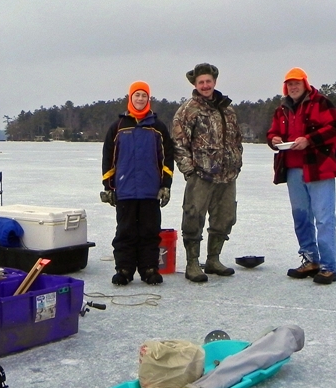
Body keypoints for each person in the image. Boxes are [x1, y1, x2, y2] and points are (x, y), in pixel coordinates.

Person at [266, 67, 336, 285]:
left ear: (305, 84)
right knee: (301, 218)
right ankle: (310, 259)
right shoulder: (281, 109)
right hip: (293, 169)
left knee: (324, 218)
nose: (293, 87)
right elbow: (272, 132)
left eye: (297, 83)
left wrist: (309, 139)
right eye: (289, 84)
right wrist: (274, 140)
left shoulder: (321, 103)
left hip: (319, 169)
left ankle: (329, 266)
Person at [172, 63, 243, 283]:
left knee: (225, 218)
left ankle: (214, 259)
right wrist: (189, 170)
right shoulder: (188, 110)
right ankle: (192, 263)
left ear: (214, 82)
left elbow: (236, 139)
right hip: (201, 175)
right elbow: (178, 142)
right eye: (201, 82)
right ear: (195, 84)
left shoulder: (227, 109)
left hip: (227, 175)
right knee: (193, 217)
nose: (205, 85)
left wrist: (236, 162)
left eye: (208, 81)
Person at [101, 81, 175, 285]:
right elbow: (108, 156)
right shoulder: (118, 126)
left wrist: (165, 185)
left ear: (148, 99)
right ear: (130, 98)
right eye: (137, 95)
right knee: (125, 232)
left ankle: (149, 269)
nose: (140, 99)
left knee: (150, 232)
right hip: (124, 190)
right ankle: (124, 269)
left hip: (150, 191)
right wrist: (108, 186)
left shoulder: (157, 127)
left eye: (144, 95)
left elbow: (167, 158)